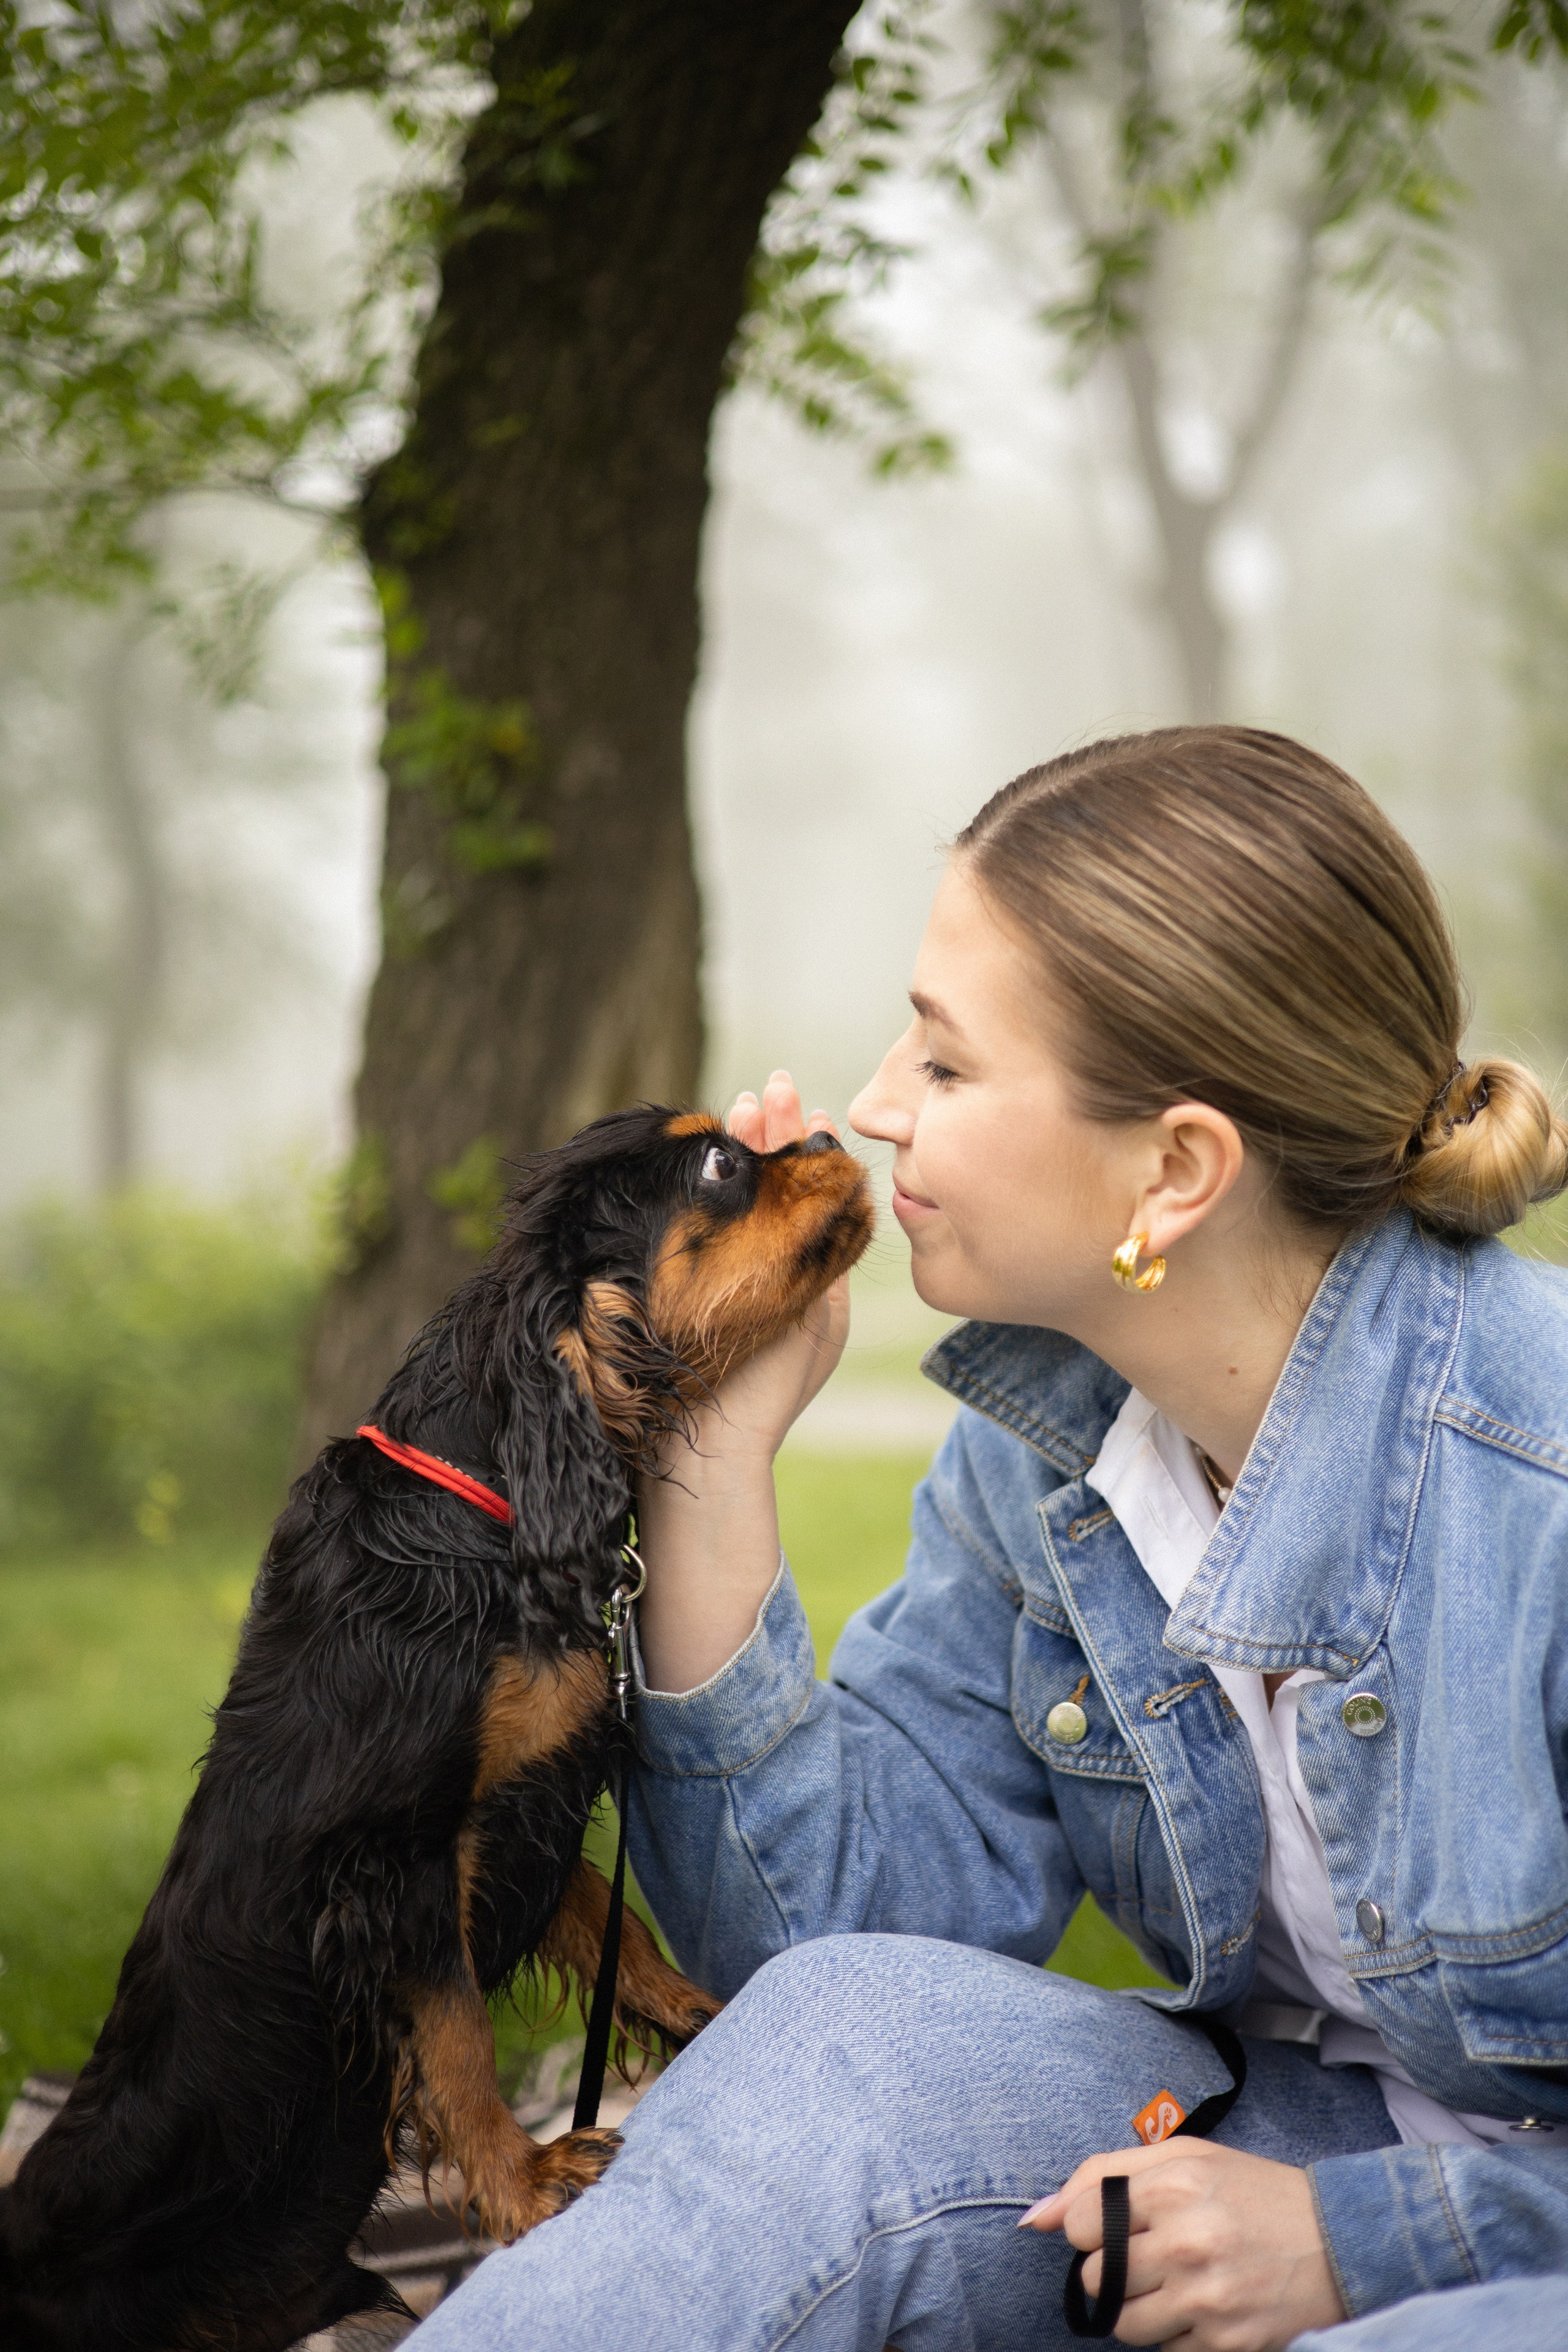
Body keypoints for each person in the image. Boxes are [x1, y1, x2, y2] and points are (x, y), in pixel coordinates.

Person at [413, 727, 1568, 2352]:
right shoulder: (1050, 1452)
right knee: (839, 2043)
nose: (877, 1107)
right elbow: (820, 1931)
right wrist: (708, 1460)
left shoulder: (1542, 1483)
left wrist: (1361, 2247)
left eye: (946, 1067)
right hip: (1271, 2124)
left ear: (1173, 1171)